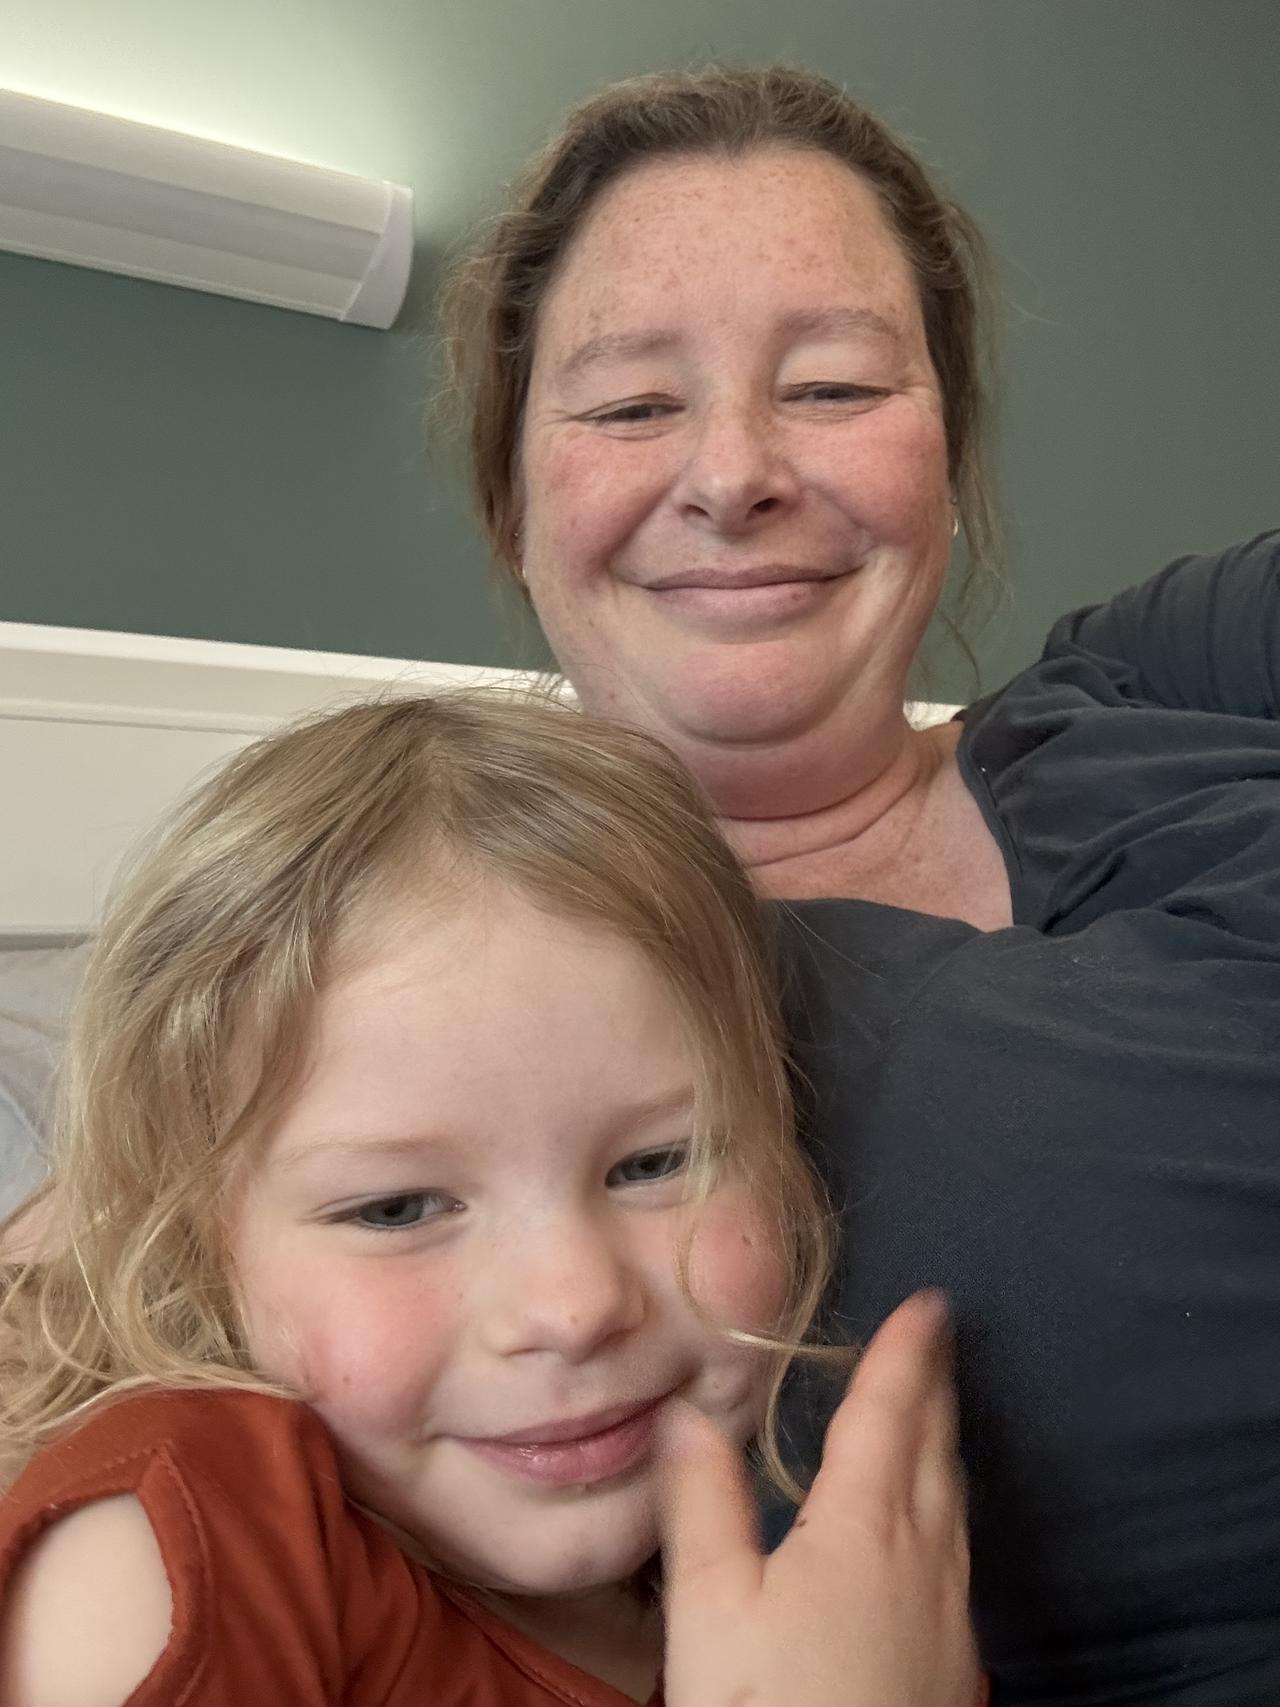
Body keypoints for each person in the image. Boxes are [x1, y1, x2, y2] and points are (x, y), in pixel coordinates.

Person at [439, 63, 1280, 1703]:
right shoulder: (454, 955)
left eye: (831, 385)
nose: (734, 470)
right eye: (631, 406)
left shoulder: (1137, 679)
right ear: (512, 503)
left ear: (946, 455)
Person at [0, 691, 982, 1706]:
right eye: (397, 1209)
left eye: (655, 1163)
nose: (573, 1307)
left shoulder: (853, 1591)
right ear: (198, 1245)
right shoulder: (172, 1558)